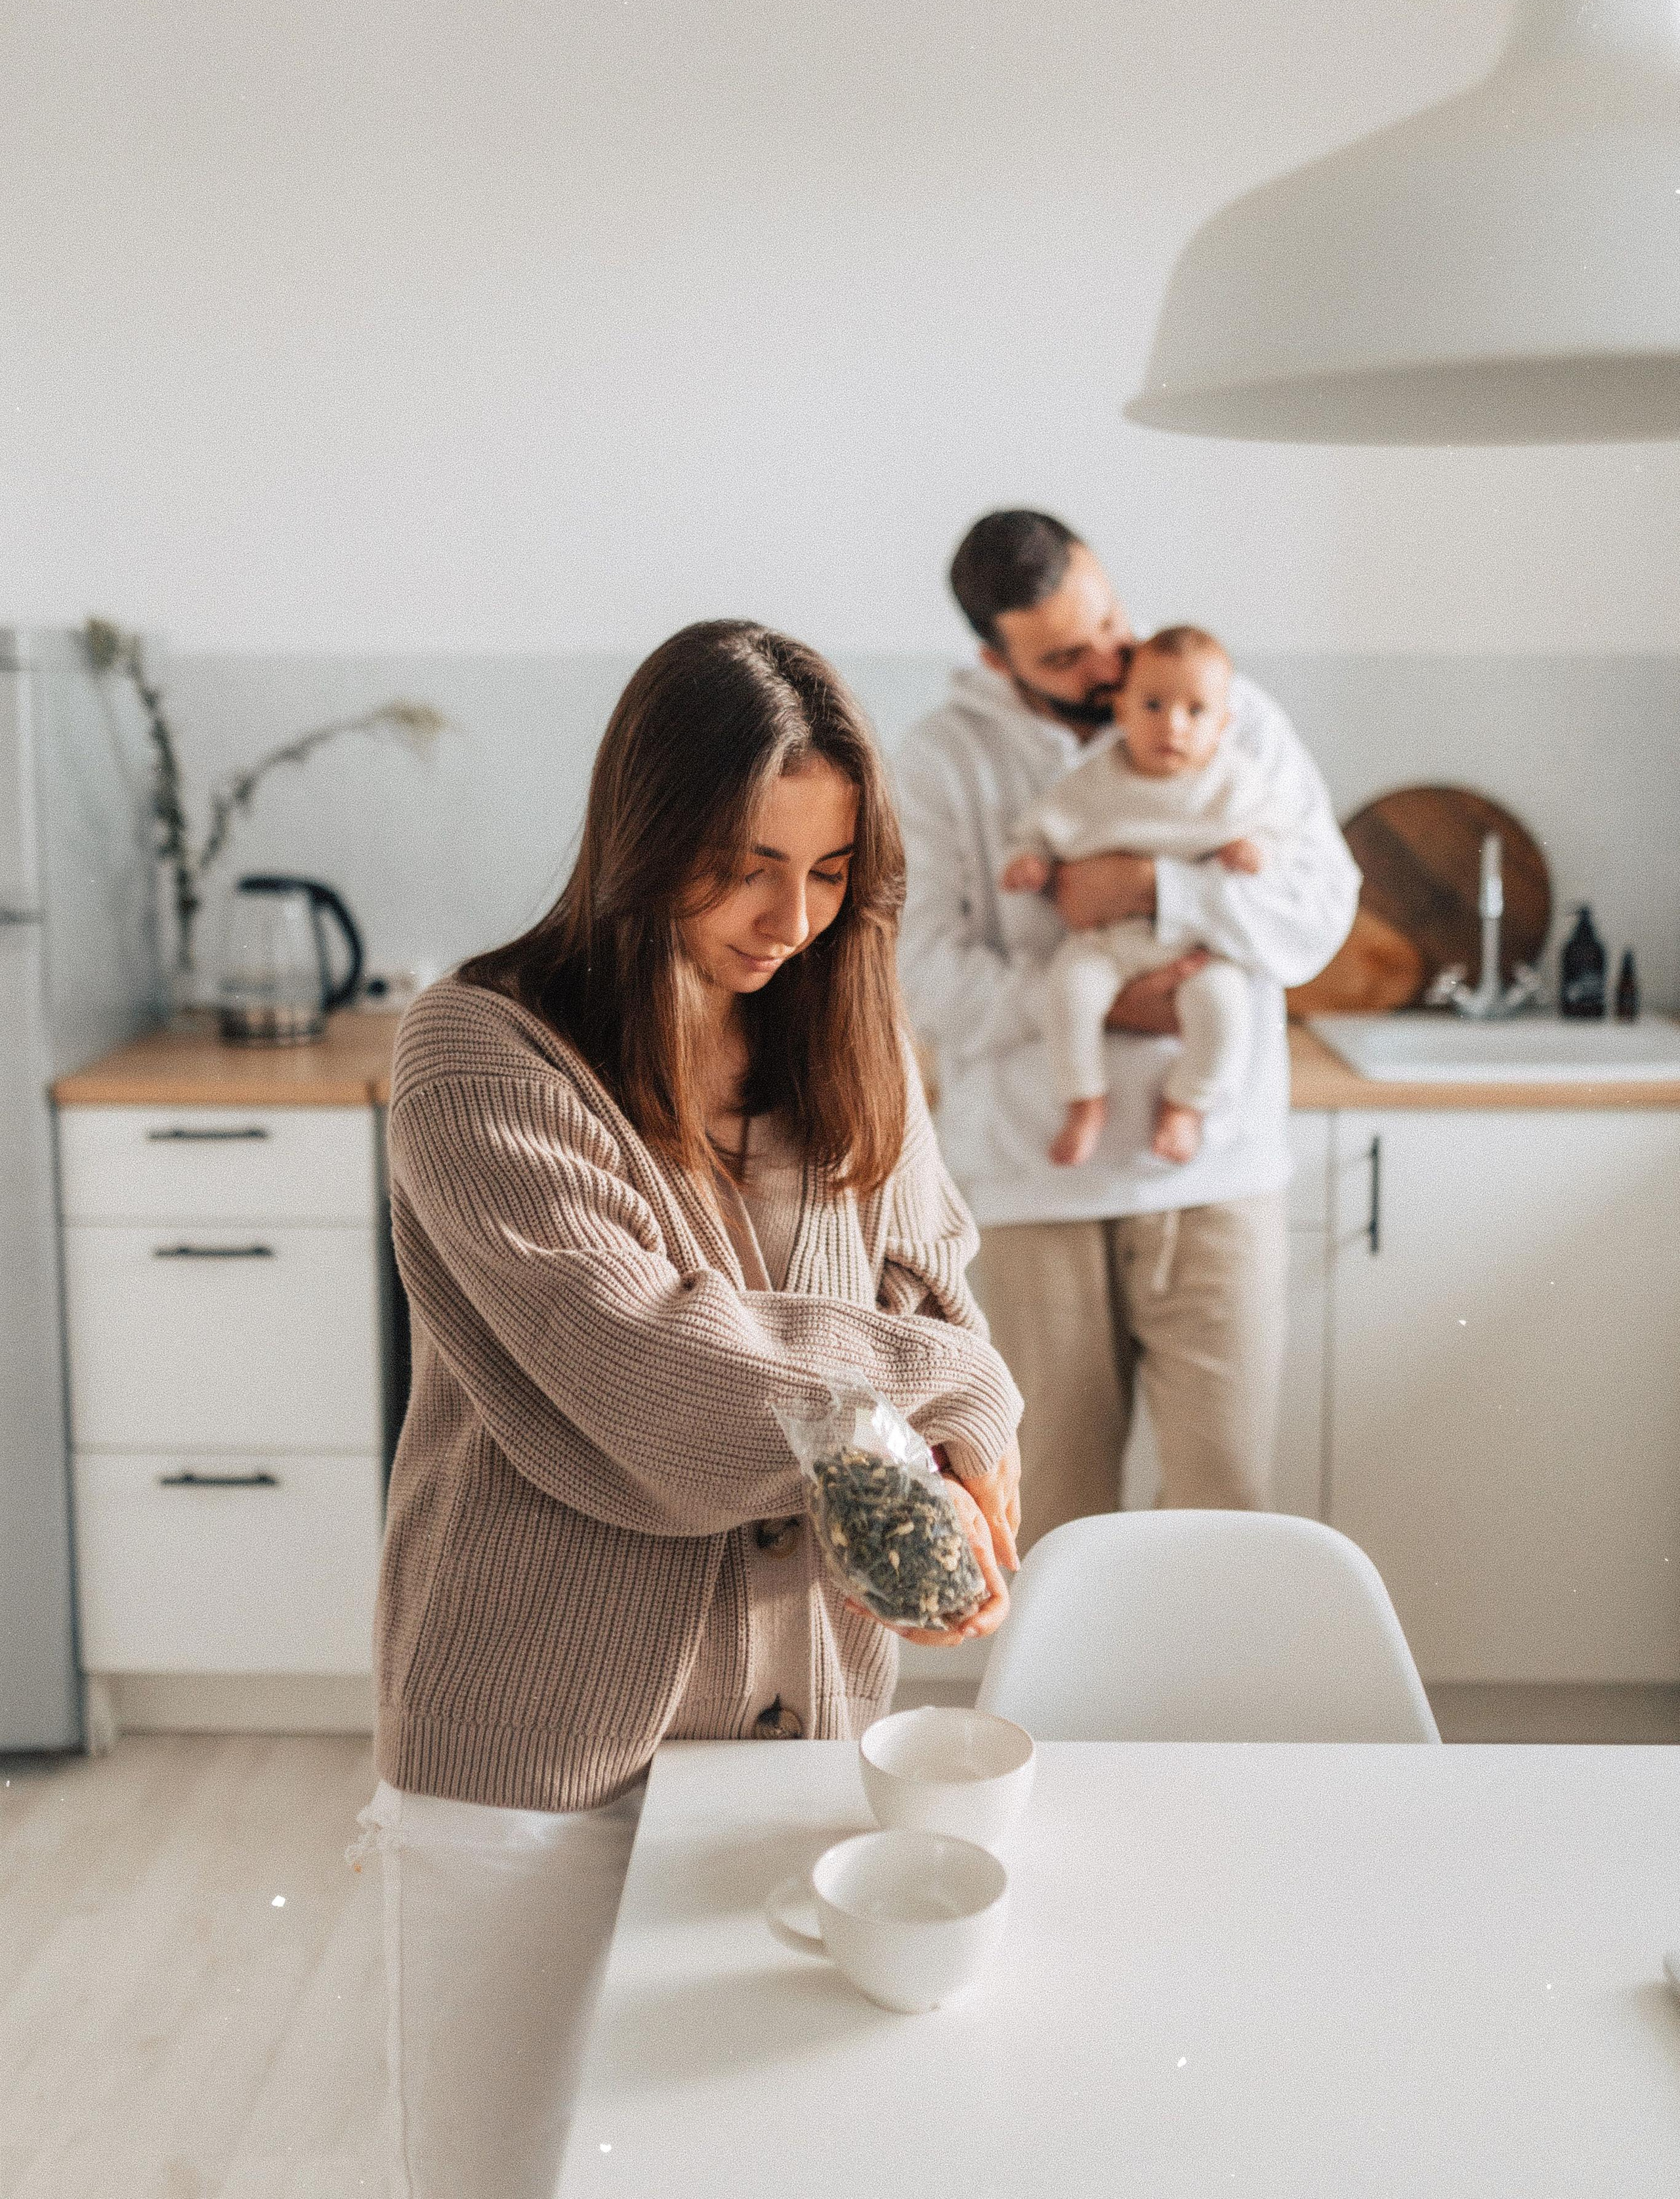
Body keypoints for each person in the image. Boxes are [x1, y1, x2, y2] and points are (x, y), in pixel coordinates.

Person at [356, 619, 1022, 2199]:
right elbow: (664, 1385)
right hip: (534, 1770)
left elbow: (936, 1297)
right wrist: (957, 1391)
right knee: (504, 2179)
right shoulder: (477, 1055)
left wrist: (967, 1449)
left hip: (800, 1746)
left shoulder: (848, 1040)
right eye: (743, 867)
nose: (789, 919)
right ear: (642, 834)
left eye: (829, 871)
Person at [897, 511, 1357, 1552]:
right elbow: (920, 976)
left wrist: (1156, 888)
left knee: (1225, 1512)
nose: (1110, 662)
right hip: (1031, 1184)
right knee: (1051, 1518)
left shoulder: (1230, 714)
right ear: (996, 660)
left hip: (1215, 1171)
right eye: (1066, 656)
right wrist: (1104, 999)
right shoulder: (940, 761)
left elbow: (1317, 913)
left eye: (1107, 621)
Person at [1001, 623, 1308, 1169]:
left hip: (1197, 949)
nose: (1172, 725)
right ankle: (1085, 1101)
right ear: (1121, 709)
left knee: (1224, 1009)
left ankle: (1187, 1104)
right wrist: (1030, 859)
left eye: (1196, 711)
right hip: (1106, 940)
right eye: (1153, 705)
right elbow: (1040, 827)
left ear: (1225, 724)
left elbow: (1282, 839)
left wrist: (1256, 849)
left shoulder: (1235, 783)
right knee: (1069, 992)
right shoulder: (1094, 780)